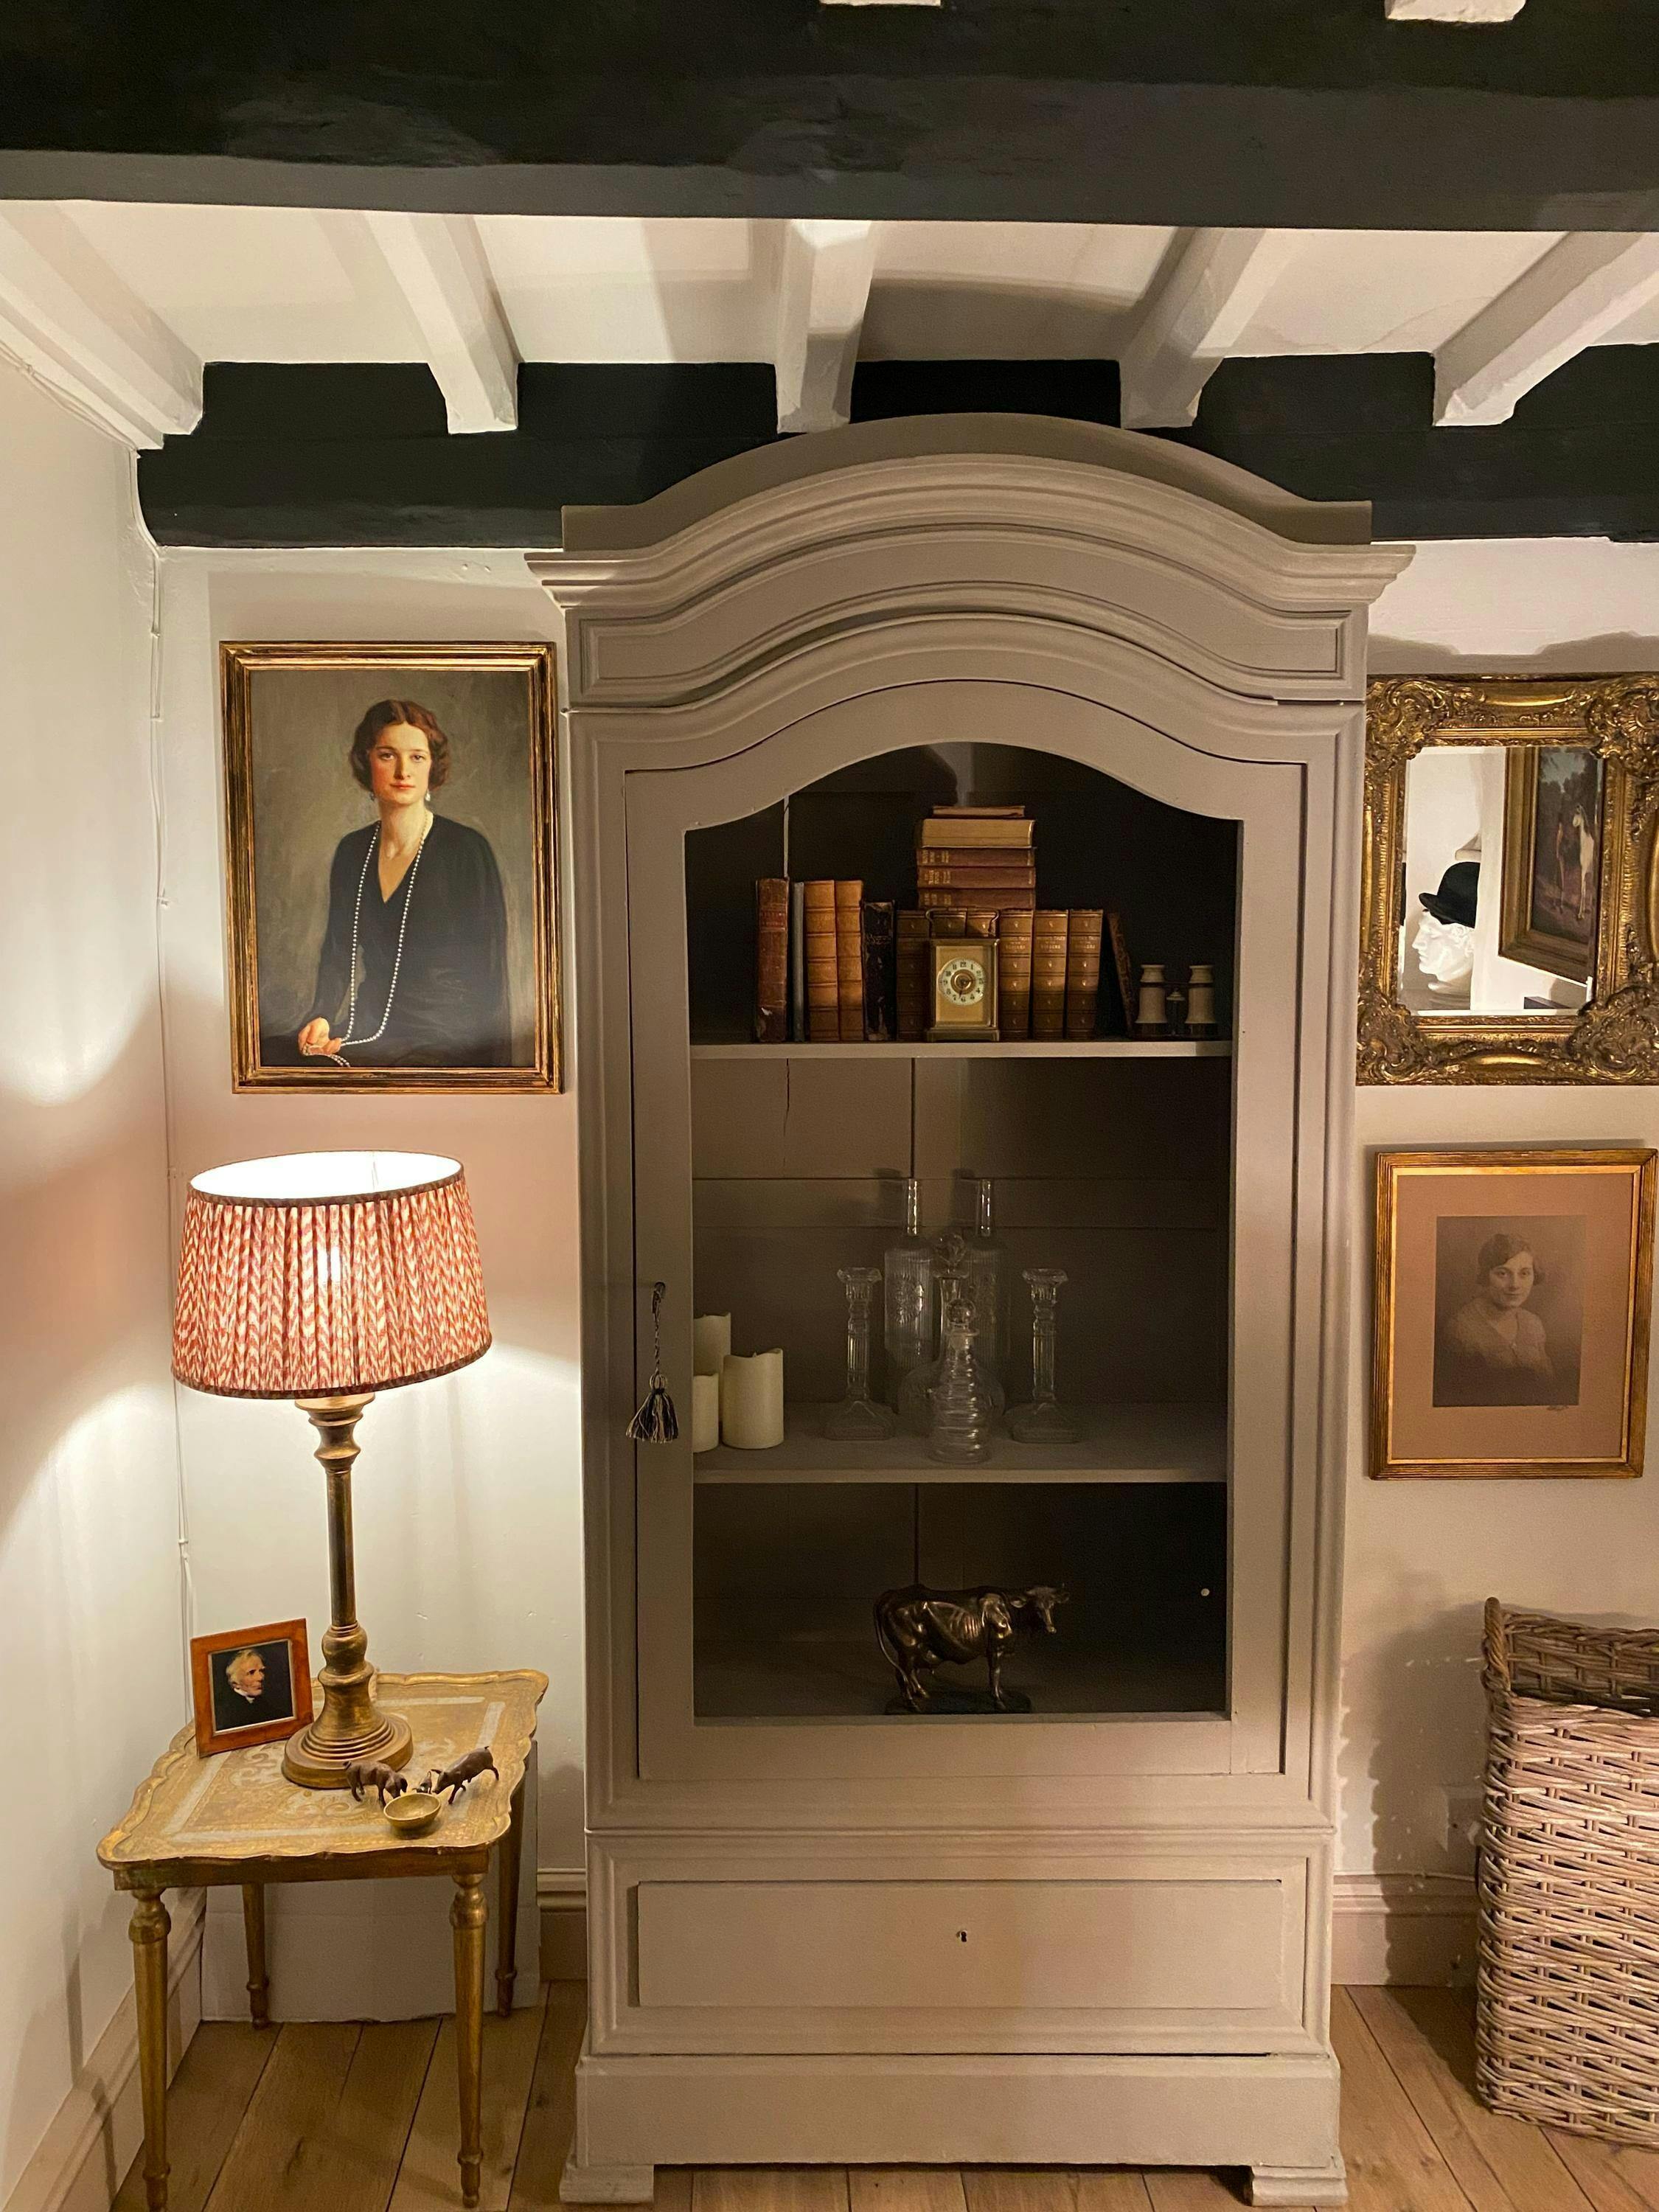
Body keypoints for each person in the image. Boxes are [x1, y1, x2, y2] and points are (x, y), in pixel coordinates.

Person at [298, 699, 511, 1068]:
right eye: (387, 756)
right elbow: (337, 950)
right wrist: (322, 1015)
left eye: (416, 757)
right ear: (367, 762)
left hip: (446, 1038)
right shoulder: (352, 851)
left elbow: (491, 975)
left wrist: (490, 1071)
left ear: (432, 767)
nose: (402, 771)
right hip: (369, 1025)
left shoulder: (466, 849)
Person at [1435, 1231, 1557, 1407]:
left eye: (1524, 1273)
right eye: (1503, 1274)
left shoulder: (1533, 1324)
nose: (1514, 1285)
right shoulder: (1461, 1329)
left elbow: (1549, 1389)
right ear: (1486, 1275)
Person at [215, 1644, 294, 1730]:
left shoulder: (268, 1707)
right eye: (251, 1672)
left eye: (262, 1671)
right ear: (235, 1683)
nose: (260, 1677)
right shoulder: (225, 1714)